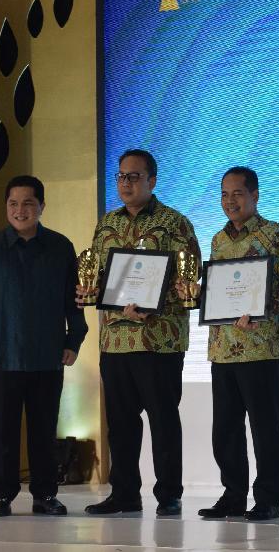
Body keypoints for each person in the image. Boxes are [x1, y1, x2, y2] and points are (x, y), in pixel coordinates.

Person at [81, 149, 200, 516]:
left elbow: (188, 282)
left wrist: (154, 302)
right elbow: (99, 278)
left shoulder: (174, 223)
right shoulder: (107, 224)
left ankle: (168, 495)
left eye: (134, 177)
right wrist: (90, 292)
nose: (125, 183)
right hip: (115, 340)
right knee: (120, 424)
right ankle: (125, 494)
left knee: (163, 420)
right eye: (120, 176)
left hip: (158, 340)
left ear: (152, 180)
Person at [0, 175, 88, 517]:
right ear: (7, 207)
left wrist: (73, 340)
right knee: (2, 433)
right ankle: (1, 495)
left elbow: (72, 301)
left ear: (41, 207)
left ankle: (44, 495)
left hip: (47, 357)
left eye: (28, 203)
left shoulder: (61, 248)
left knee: (44, 432)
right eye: (13, 204)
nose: (20, 210)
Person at [191, 166, 279, 521]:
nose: (230, 201)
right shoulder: (218, 240)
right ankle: (233, 494)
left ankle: (268, 498)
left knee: (265, 428)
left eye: (237, 193)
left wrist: (263, 304)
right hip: (223, 347)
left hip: (261, 346)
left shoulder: (276, 235)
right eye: (224, 194)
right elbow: (218, 290)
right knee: (225, 428)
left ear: (255, 195)